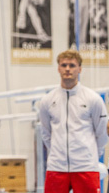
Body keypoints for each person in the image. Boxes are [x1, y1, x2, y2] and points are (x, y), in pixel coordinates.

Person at [38, 50, 108, 193]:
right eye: (64, 65)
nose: (68, 69)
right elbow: (45, 133)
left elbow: (102, 133)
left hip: (86, 166)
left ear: (80, 69)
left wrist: (91, 154)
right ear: (58, 68)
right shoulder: (47, 101)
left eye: (72, 65)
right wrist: (58, 153)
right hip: (57, 167)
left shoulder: (93, 99)